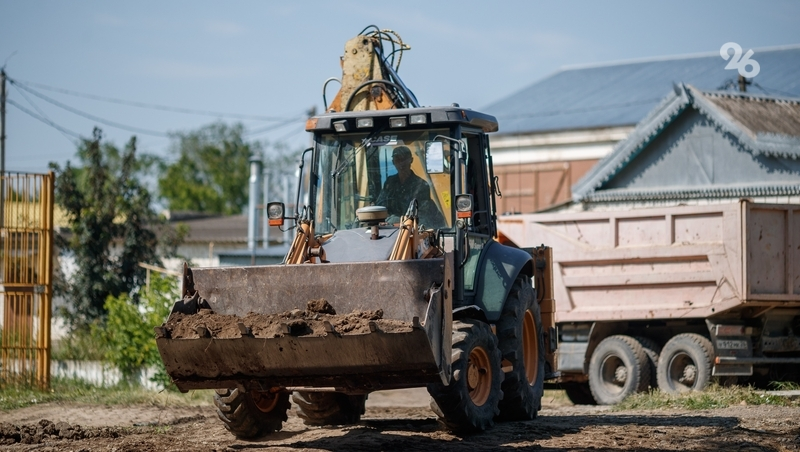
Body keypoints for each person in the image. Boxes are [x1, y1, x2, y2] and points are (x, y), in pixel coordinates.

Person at [375, 146, 445, 227]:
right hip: (389, 228)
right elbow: (381, 205)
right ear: (393, 162)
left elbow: (422, 216)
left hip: (413, 231)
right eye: (398, 159)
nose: (401, 163)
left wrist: (397, 224)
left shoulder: (421, 185)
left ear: (411, 160)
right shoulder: (389, 183)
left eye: (404, 159)